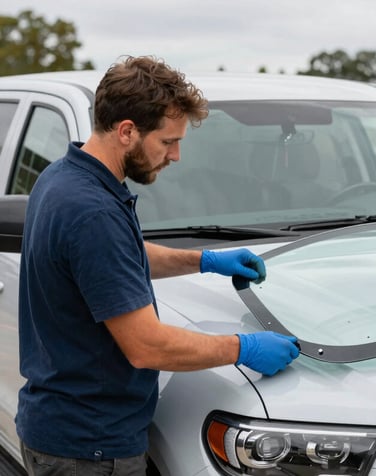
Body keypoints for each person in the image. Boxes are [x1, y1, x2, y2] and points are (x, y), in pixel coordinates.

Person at [16, 56, 300, 476]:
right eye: (168, 142)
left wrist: (204, 260)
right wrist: (244, 348)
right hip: (89, 451)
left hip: (62, 430)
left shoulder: (64, 177)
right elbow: (146, 346)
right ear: (127, 131)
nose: (177, 155)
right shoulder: (92, 210)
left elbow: (116, 257)